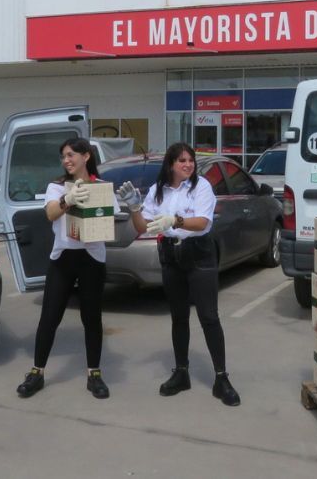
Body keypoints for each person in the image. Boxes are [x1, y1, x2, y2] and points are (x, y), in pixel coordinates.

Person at [117, 142, 240, 406]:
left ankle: (221, 378)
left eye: (190, 160)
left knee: (209, 317)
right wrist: (134, 208)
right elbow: (145, 227)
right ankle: (181, 372)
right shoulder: (157, 191)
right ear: (171, 164)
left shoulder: (201, 186)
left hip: (199, 255)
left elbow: (203, 223)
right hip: (171, 257)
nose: (188, 165)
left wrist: (175, 221)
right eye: (182, 160)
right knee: (178, 318)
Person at [16, 138, 115, 400]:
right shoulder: (56, 187)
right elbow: (50, 213)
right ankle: (36, 373)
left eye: (71, 155)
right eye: (63, 156)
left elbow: (109, 218)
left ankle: (94, 374)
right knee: (49, 317)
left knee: (91, 319)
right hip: (63, 259)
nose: (66, 160)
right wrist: (68, 199)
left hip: (92, 259)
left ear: (86, 156)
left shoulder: (102, 187)